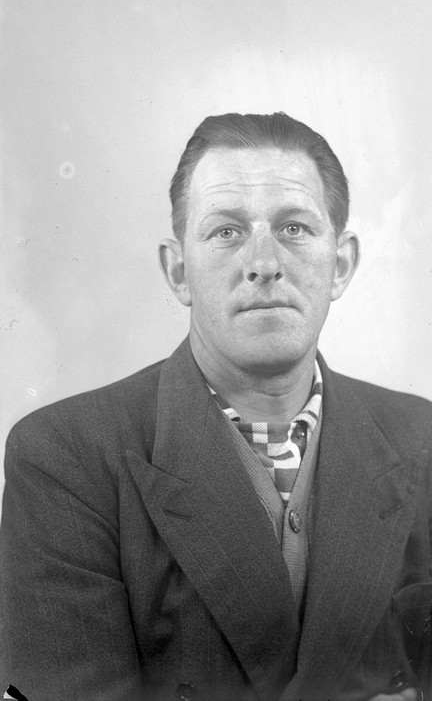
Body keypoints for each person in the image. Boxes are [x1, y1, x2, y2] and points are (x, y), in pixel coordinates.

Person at [0, 113, 431, 701]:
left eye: (295, 227)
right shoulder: (64, 457)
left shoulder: (421, 438)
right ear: (179, 271)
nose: (264, 263)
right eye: (227, 231)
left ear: (341, 263)